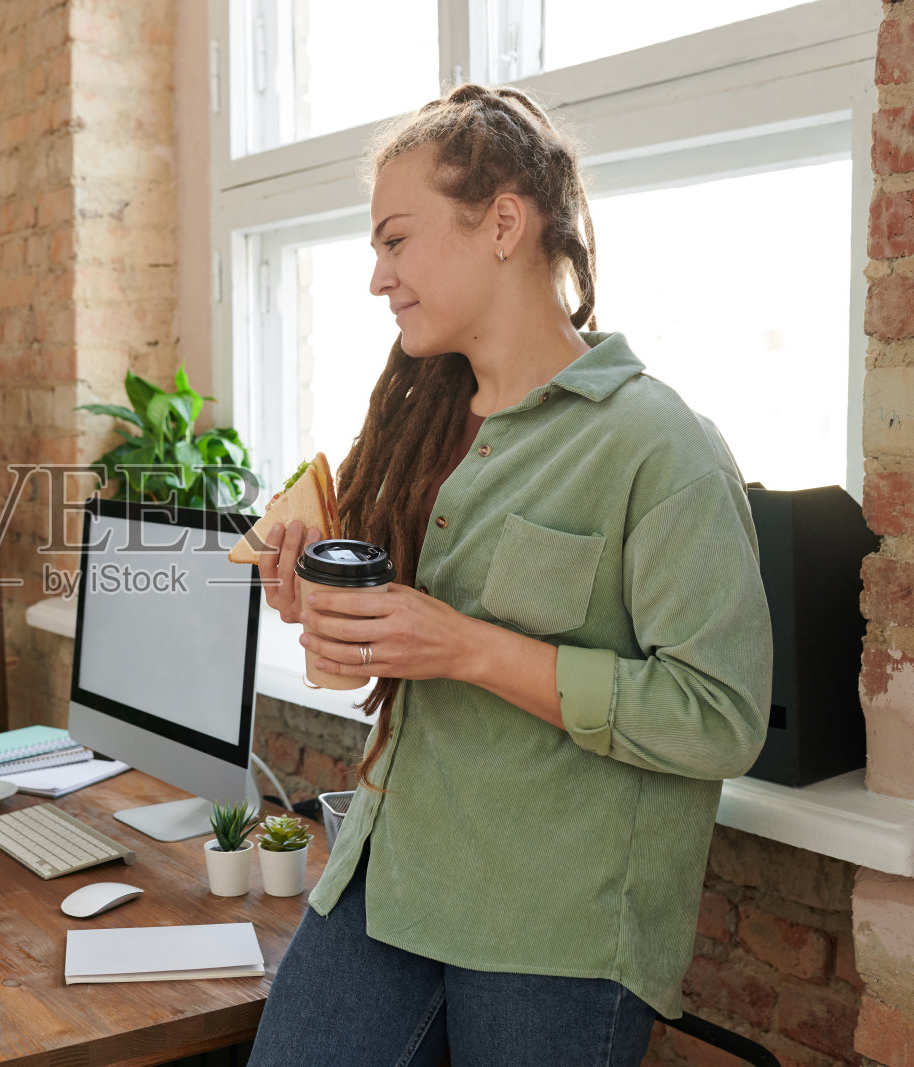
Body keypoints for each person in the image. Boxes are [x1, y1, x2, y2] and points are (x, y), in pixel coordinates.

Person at [247, 84, 772, 1066]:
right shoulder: (418, 427)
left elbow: (719, 713)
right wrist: (309, 594)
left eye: (394, 241)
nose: (377, 277)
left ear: (500, 223)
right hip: (391, 869)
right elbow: (388, 628)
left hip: (554, 923)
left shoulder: (657, 447)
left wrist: (464, 646)